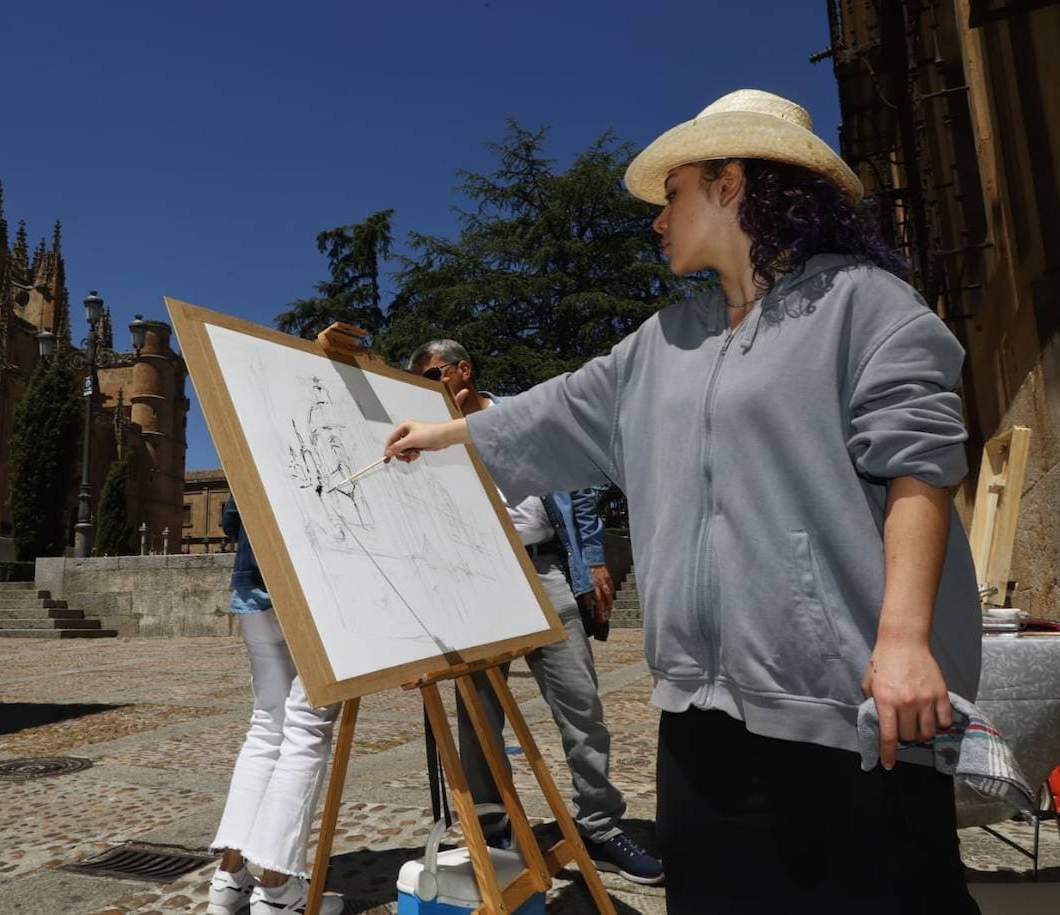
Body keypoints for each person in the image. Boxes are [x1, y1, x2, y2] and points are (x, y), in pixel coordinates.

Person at [385, 90, 982, 913]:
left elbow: (922, 464)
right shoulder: (662, 342)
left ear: (731, 184)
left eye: (672, 195)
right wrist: (436, 434)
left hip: (849, 713)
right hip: (698, 724)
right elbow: (552, 410)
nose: (658, 220)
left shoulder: (867, 303)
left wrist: (907, 640)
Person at [408, 340, 663, 885]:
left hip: (544, 569)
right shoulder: (428, 440)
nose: (431, 387)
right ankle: (494, 827)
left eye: (434, 374)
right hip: (473, 578)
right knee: (478, 712)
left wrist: (593, 558)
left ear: (463, 370)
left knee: (580, 701)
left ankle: (599, 824)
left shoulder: (518, 412)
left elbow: (582, 482)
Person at [207, 497, 343, 915]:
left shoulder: (252, 428)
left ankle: (228, 880)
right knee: (306, 731)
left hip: (253, 582)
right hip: (318, 584)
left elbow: (232, 514)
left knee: (267, 726)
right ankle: (278, 891)